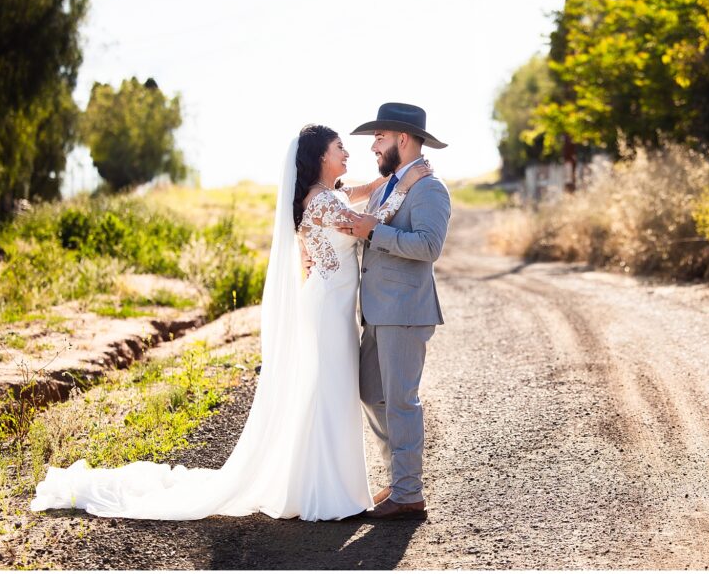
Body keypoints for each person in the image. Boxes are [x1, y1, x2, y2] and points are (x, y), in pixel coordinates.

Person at [29, 122, 432, 521]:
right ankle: (323, 489)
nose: (347, 153)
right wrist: (407, 182)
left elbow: (361, 195)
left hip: (333, 305)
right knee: (327, 390)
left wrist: (396, 180)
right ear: (320, 157)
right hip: (328, 308)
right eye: (339, 147)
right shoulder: (324, 202)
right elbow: (369, 225)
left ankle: (327, 483)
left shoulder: (327, 195)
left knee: (328, 389)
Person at [303, 102, 451, 521]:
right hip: (375, 310)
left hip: (405, 309)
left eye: (379, 138)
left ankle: (409, 493)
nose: (372, 147)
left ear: (402, 139)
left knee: (400, 401)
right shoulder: (391, 184)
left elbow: (427, 246)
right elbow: (351, 218)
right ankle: (398, 479)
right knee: (371, 392)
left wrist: (374, 231)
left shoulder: (429, 189)